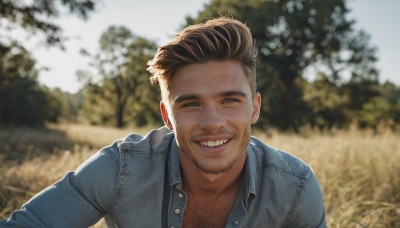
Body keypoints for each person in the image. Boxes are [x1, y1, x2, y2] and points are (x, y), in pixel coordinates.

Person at [1, 17, 326, 227]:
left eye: (230, 100)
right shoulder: (120, 170)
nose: (213, 122)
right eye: (191, 104)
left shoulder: (294, 188)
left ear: (255, 108)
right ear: (166, 116)